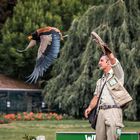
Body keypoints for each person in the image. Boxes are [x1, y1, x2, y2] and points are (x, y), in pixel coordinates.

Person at [84, 31, 132, 140]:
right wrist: (90, 107)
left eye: (101, 60)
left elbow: (113, 59)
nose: (99, 63)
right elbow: (96, 97)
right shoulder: (100, 81)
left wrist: (104, 48)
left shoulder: (118, 75)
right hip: (100, 112)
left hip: (114, 111)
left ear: (108, 63)